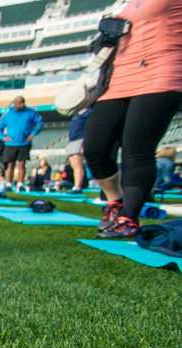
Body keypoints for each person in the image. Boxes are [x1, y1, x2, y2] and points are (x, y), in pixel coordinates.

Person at [83, 0, 182, 238]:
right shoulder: (125, 2)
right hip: (120, 76)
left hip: (162, 70)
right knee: (95, 147)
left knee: (137, 149)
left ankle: (129, 217)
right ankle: (115, 204)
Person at [0, 96, 43, 192]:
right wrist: (3, 137)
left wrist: (33, 134)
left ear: (24, 103)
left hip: (24, 143)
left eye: (21, 103)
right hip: (10, 144)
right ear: (14, 103)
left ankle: (20, 184)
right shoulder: (7, 114)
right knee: (10, 165)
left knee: (22, 164)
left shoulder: (30, 113)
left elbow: (40, 122)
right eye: (18, 103)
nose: (20, 105)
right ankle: (8, 184)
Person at [65, 107, 90, 193]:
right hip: (73, 141)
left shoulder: (88, 112)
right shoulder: (76, 114)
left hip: (80, 139)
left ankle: (77, 187)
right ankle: (77, 184)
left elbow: (89, 127)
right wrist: (69, 143)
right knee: (73, 165)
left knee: (78, 164)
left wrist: (85, 142)